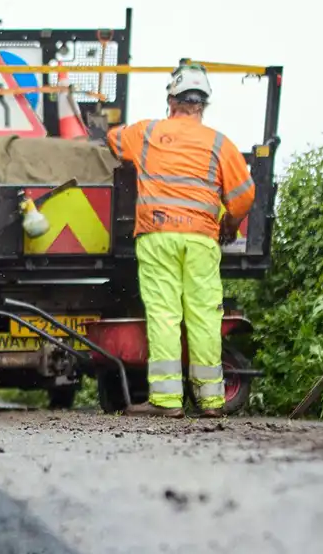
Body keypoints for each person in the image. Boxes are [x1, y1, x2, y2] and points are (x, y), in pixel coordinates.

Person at [106, 61, 255, 418]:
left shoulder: (147, 132)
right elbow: (244, 196)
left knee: (164, 315)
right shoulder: (220, 143)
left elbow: (113, 140)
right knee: (204, 316)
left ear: (171, 100)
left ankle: (167, 401)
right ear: (202, 105)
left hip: (157, 237)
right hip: (202, 238)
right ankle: (211, 401)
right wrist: (230, 224)